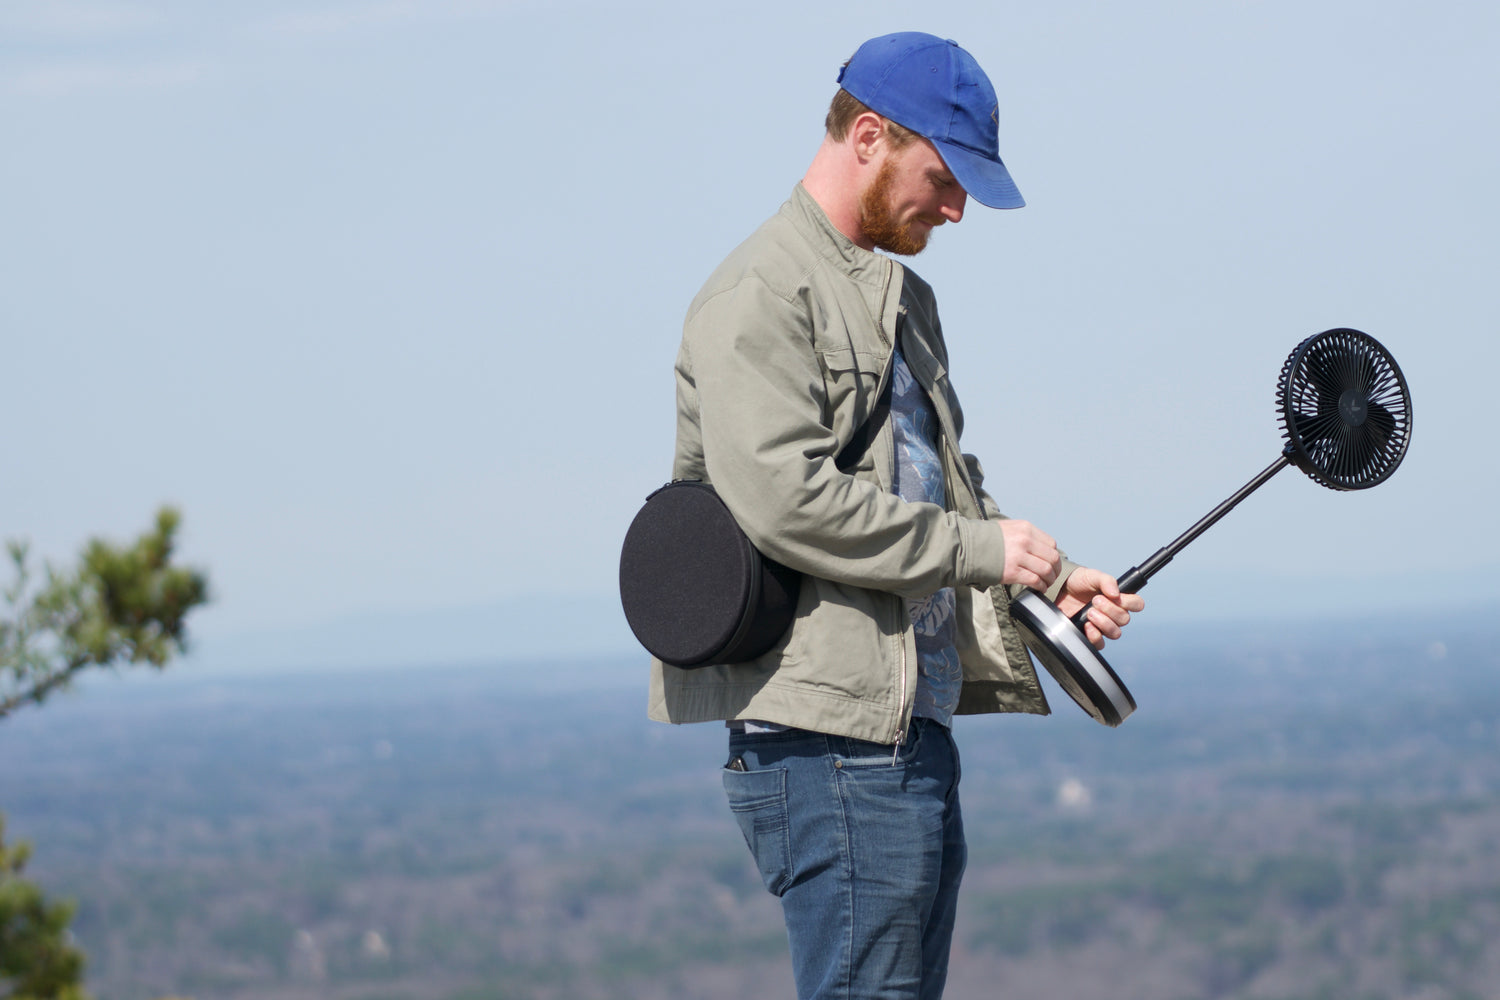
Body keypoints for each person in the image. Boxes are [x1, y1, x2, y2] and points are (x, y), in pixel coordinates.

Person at [647, 31, 1145, 1000]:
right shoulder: (760, 293)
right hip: (824, 745)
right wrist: (982, 548)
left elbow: (935, 488)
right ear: (868, 135)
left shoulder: (902, 297)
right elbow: (786, 503)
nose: (957, 208)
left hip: (904, 732)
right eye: (945, 176)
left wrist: (1045, 569)